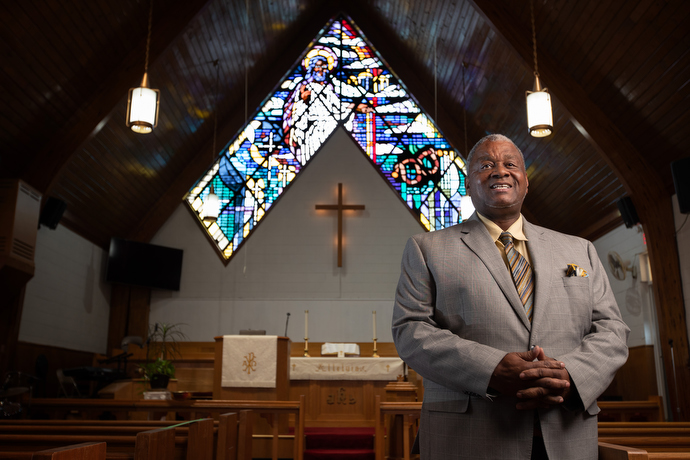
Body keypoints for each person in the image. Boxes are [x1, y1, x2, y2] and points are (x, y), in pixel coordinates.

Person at [392, 134, 629, 460]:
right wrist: (490, 370)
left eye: (510, 164)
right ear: (467, 183)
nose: (499, 171)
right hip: (470, 434)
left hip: (566, 431)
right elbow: (410, 330)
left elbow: (613, 331)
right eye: (485, 165)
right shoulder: (426, 248)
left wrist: (570, 375)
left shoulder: (579, 250)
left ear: (525, 182)